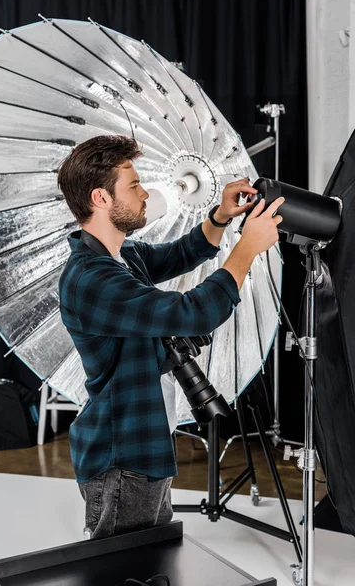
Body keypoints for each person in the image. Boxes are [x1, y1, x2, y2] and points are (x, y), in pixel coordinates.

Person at [58, 135, 284, 540]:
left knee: (149, 558)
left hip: (143, 447)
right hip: (121, 456)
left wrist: (220, 217)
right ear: (101, 198)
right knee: (125, 568)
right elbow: (192, 313)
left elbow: (180, 253)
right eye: (134, 185)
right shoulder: (91, 279)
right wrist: (247, 248)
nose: (147, 193)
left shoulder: (123, 256)